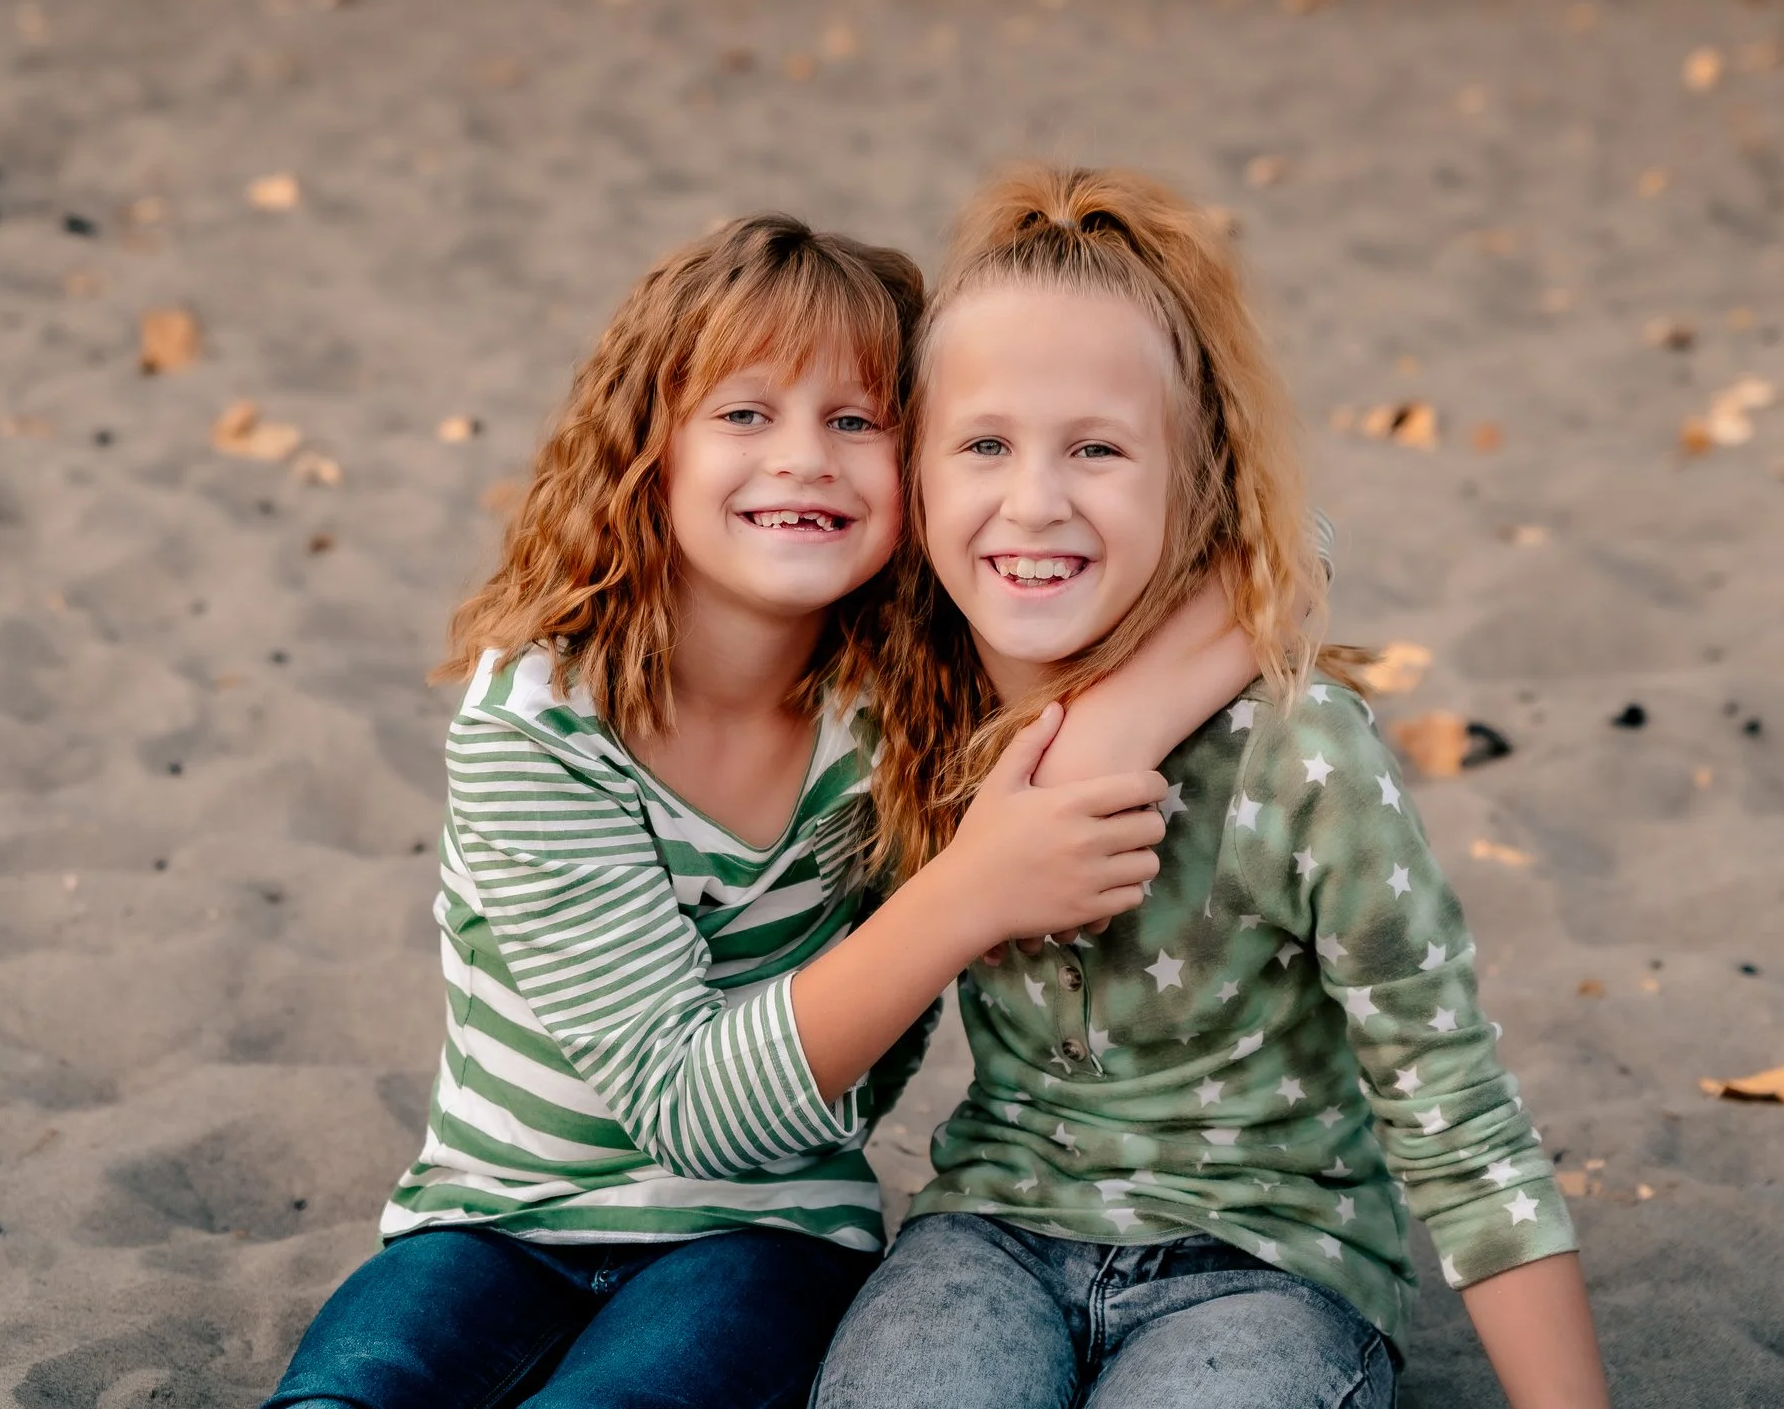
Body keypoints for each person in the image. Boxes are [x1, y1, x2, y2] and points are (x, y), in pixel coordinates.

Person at [263, 213, 1265, 1409]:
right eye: (745, 414)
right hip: (494, 1220)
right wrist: (970, 890)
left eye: (857, 421)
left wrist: (1102, 741)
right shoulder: (539, 718)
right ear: (650, 450)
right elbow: (684, 1104)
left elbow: (1279, 546)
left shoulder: (909, 700)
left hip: (768, 1233)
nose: (803, 458)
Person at [816, 165, 1611, 1409]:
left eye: (1097, 448)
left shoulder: (1300, 752)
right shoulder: (910, 721)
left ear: (1194, 477)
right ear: (914, 478)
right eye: (982, 444)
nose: (1034, 499)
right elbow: (844, 1068)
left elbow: (1451, 1111)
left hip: (1266, 1263)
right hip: (991, 1233)